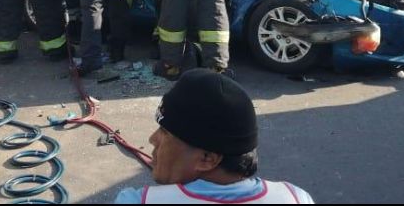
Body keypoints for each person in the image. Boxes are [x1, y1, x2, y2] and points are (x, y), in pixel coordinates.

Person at [115, 69, 314, 204]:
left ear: (207, 159)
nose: (152, 139)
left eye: (165, 133)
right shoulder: (295, 198)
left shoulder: (137, 201)